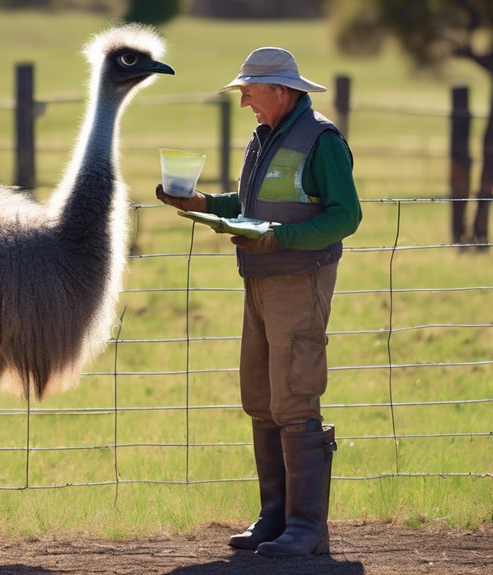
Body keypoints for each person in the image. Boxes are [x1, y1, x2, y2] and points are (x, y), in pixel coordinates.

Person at [155, 47, 361, 556]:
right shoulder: (267, 136)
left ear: (281, 91)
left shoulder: (321, 141)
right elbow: (252, 207)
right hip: (260, 279)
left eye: (250, 90)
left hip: (298, 278)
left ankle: (306, 528)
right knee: (261, 398)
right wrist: (201, 204)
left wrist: (282, 240)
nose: (244, 100)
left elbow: (346, 217)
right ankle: (275, 518)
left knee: (294, 396)